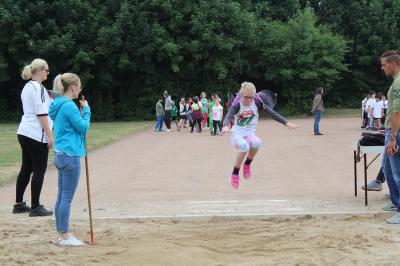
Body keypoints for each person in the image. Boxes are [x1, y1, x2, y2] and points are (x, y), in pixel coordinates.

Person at [222, 82, 299, 189]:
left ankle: (247, 164)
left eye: (251, 98)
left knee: (257, 142)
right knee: (245, 146)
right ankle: (235, 173)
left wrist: (286, 122)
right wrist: (225, 126)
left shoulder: (257, 102)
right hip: (237, 136)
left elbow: (272, 113)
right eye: (246, 97)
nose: (249, 100)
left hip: (249, 135)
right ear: (241, 94)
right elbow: (228, 116)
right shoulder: (237, 104)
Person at [49, 73, 90, 246]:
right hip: (70, 155)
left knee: (61, 196)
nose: (79, 91)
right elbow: (83, 127)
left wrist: (79, 113)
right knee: (66, 197)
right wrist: (87, 111)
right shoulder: (68, 105)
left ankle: (61, 232)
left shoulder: (57, 104)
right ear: (73, 87)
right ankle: (64, 235)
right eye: (79, 87)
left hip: (60, 153)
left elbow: (70, 125)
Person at [13, 58, 54, 217]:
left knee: (27, 167)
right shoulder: (38, 88)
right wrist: (50, 135)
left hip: (24, 131)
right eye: (46, 69)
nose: (48, 72)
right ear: (38, 70)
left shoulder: (28, 87)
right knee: (39, 169)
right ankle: (36, 206)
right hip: (36, 133)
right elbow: (41, 114)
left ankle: (19, 204)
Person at [379, 50, 400, 224]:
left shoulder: (399, 83)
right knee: (387, 169)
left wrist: (393, 136)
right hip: (390, 130)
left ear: (393, 64)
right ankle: (396, 202)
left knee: (397, 172)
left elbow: (398, 113)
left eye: (384, 64)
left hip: (395, 132)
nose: (382, 68)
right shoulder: (395, 82)